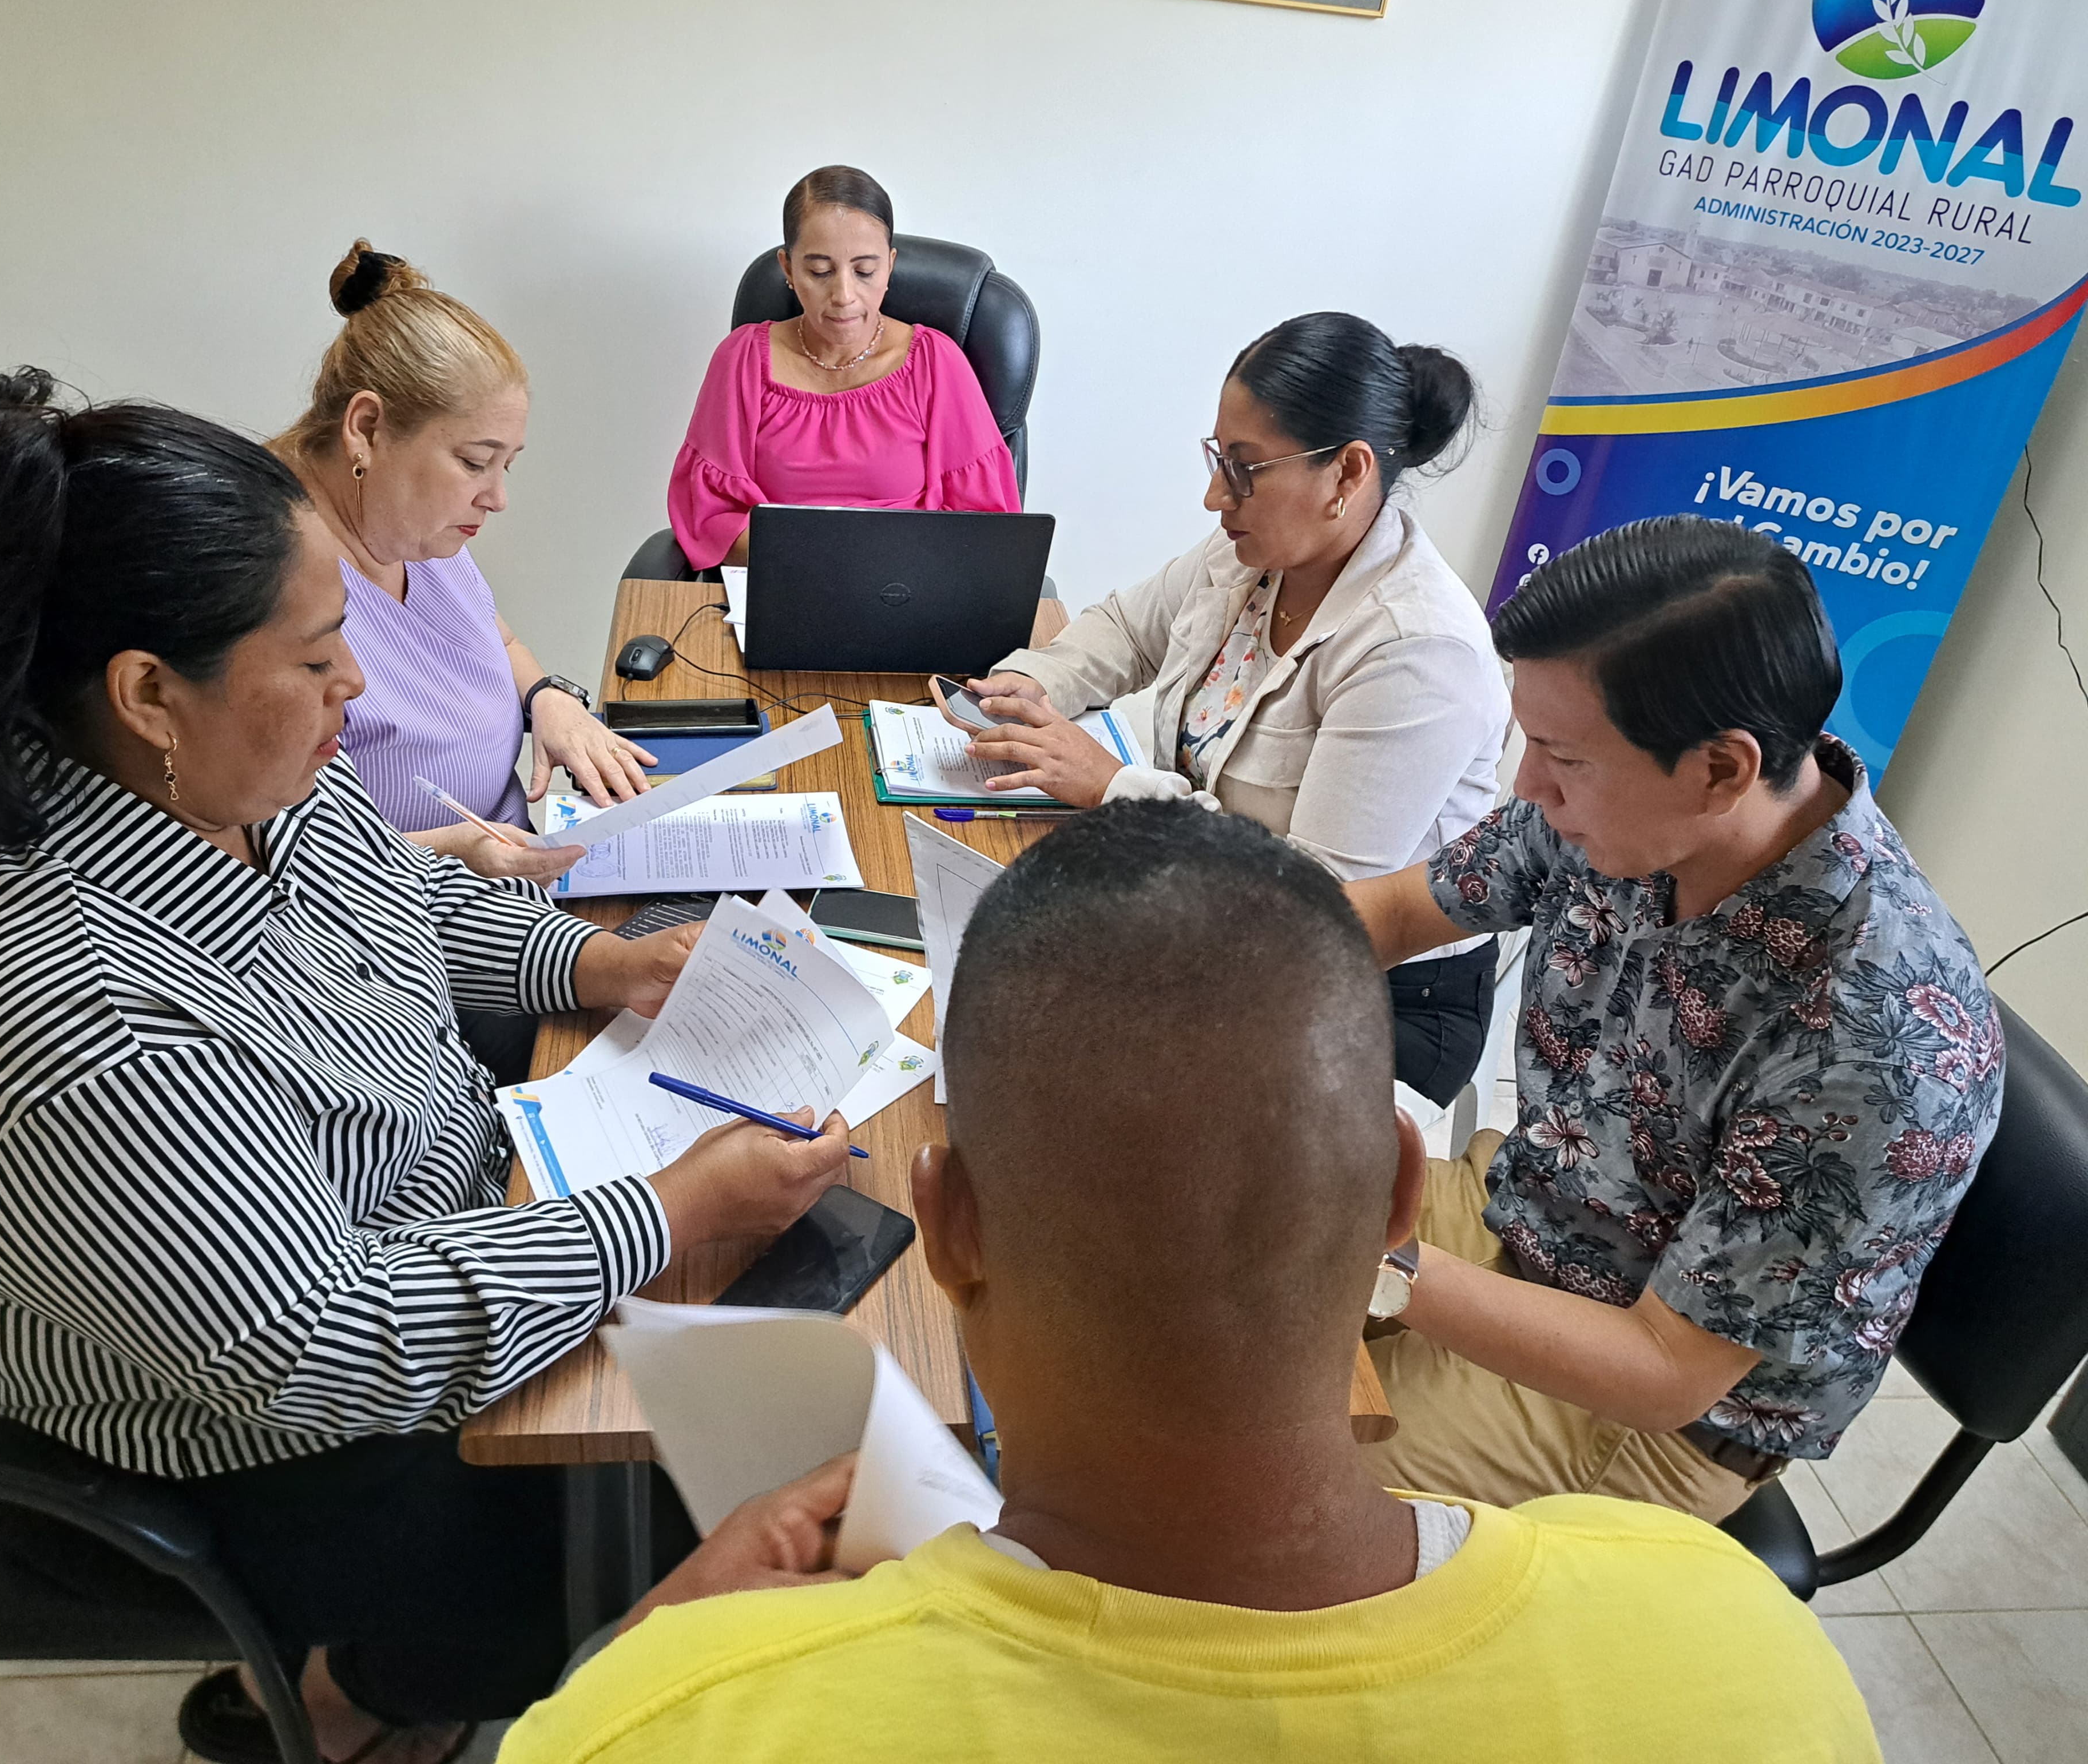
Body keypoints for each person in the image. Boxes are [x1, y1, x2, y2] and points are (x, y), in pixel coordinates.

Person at [0, 371, 858, 1764]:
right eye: (314, 656)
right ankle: (352, 1688)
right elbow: (325, 1342)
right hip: (230, 1437)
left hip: (405, 1234)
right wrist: (668, 1210)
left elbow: (410, 902)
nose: (353, 685)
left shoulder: (234, 775)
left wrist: (602, 965)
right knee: (694, 1505)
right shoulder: (87, 1023)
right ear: (149, 693)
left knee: (749, 1389)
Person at [499, 801, 1881, 1763]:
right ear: (1402, 1200)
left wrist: (643, 1659)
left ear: (948, 1226)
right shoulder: (1746, 1657)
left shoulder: (676, 1721)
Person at [1341, 516, 2004, 1522]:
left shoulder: (1874, 1038)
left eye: (1562, 757)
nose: (1528, 785)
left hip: (1649, 1409)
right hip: (1528, 1216)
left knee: (1244, 1482)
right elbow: (1395, 912)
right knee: (1186, 1267)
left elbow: (1663, 1370)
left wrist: (1371, 1265)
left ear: (1723, 770)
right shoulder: (1616, 807)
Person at [959, 312, 1511, 1107]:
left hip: (1368, 1001)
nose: (1216, 496)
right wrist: (1031, 682)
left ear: (1347, 474)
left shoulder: (1416, 651)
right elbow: (1126, 630)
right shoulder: (1253, 552)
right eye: (1219, 459)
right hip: (1206, 910)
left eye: (1246, 469)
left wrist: (1113, 787)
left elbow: (1315, 904)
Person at [276, 240, 661, 1082]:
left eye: (506, 465)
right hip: (410, 943)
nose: (498, 497)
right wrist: (455, 850)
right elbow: (280, 861)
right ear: (366, 429)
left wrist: (549, 699)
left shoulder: (414, 527)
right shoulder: (282, 592)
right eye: (475, 463)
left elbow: (491, 637)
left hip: (526, 871)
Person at [666, 164, 1020, 573]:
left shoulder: (936, 363)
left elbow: (985, 527)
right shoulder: (742, 361)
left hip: (906, 585)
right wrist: (830, 562)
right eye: (820, 272)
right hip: (779, 580)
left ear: (890, 266)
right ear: (788, 269)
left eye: (865, 271)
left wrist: (868, 568)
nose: (844, 295)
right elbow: (710, 517)